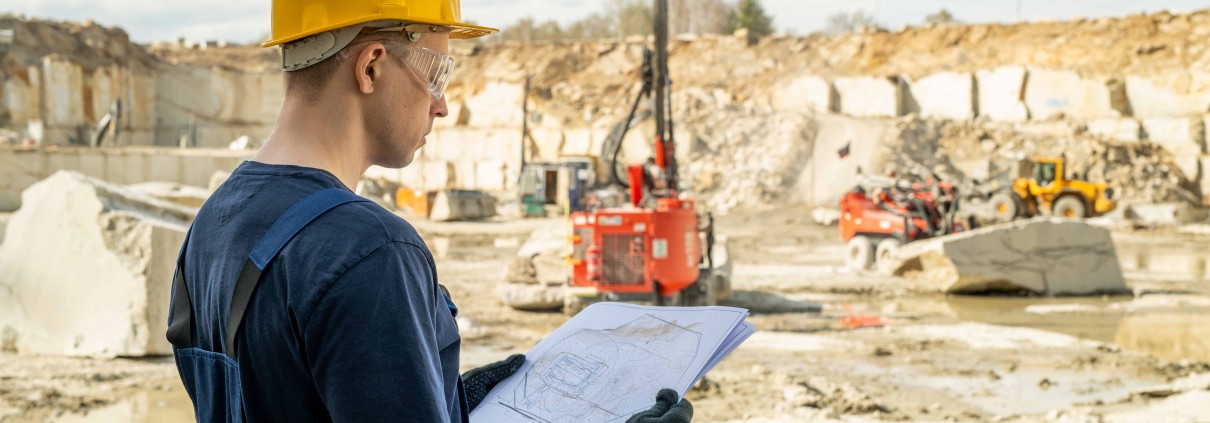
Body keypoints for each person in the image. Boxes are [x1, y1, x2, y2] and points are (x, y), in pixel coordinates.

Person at [165, 1, 694, 422]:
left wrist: (445, 398)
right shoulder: (370, 250)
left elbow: (291, 396)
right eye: (436, 74)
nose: (441, 104)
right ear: (370, 66)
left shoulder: (212, 225)